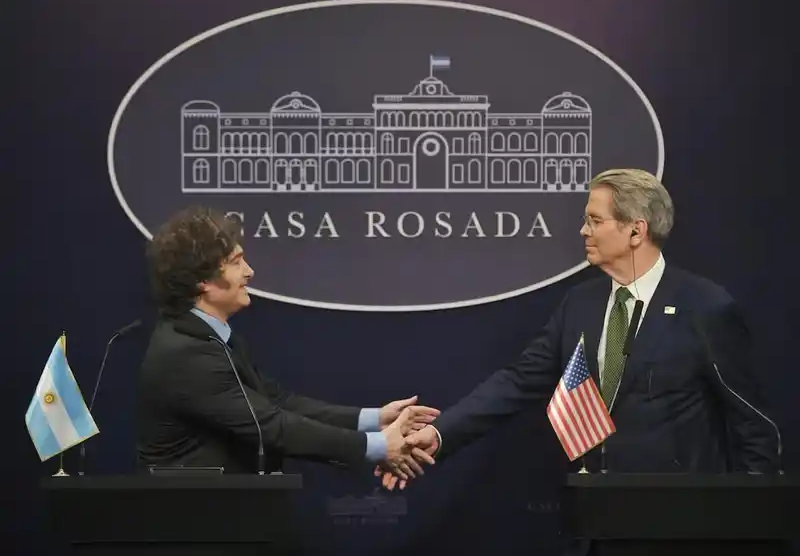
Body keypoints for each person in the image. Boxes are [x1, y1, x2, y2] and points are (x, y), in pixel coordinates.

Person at [377, 169, 779, 505]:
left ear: (635, 230)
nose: (584, 230)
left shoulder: (704, 307)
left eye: (595, 220)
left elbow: (753, 423)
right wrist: (440, 434)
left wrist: (748, 520)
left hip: (674, 524)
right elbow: (518, 382)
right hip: (594, 520)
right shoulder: (580, 304)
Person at [136, 205, 437, 476]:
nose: (249, 271)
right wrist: (377, 445)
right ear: (202, 280)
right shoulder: (187, 353)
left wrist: (374, 419)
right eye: (236, 262)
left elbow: (279, 403)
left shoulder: (208, 338)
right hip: (198, 514)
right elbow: (271, 426)